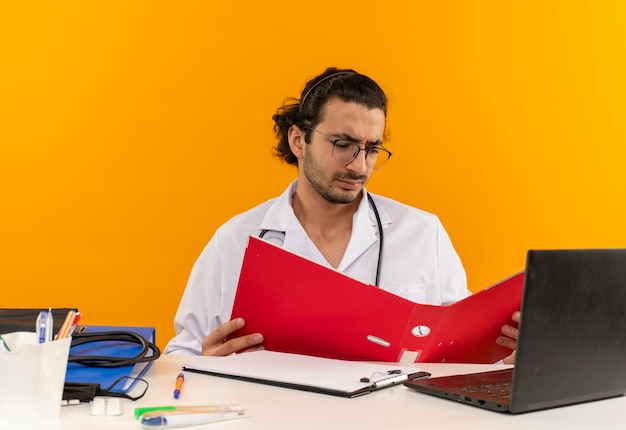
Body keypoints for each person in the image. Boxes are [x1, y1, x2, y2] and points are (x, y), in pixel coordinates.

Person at [164, 67, 520, 363]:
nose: (359, 165)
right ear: (298, 140)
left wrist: (507, 346)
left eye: (372, 149)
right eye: (343, 145)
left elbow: (461, 352)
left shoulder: (423, 233)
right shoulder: (236, 241)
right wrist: (202, 365)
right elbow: (180, 357)